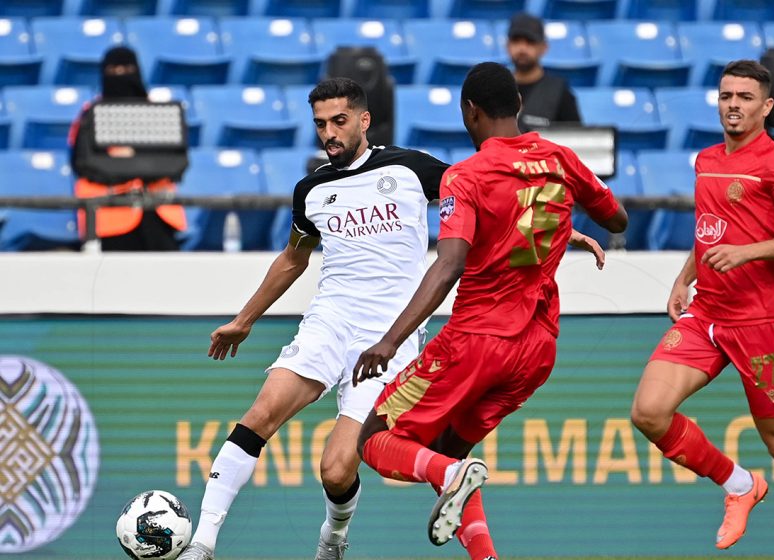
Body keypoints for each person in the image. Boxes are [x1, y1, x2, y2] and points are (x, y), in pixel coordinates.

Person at [352, 62, 627, 560]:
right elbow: (616, 216)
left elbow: (449, 264)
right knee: (448, 451)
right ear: (519, 106)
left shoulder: (467, 176)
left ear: (469, 111)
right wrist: (564, 231)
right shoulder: (561, 159)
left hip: (477, 340)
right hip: (538, 350)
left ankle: (452, 476)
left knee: (373, 440)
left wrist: (389, 341)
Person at [173, 77, 449, 560]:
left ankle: (332, 541)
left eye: (339, 121)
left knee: (337, 470)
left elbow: (483, 198)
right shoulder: (313, 189)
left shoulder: (412, 169)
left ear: (364, 120)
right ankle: (201, 544)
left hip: (390, 336)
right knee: (260, 414)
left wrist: (557, 233)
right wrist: (245, 319)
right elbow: (293, 258)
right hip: (330, 321)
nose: (329, 133)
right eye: (321, 124)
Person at [629, 59, 774, 560]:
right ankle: (738, 484)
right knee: (648, 411)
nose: (734, 105)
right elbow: (710, 231)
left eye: (745, 97)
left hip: (762, 322)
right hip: (708, 313)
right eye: (727, 95)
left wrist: (747, 252)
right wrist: (685, 278)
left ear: (766, 106)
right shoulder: (706, 159)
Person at [69, 46, 186, 251]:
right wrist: (142, 163)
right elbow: (82, 163)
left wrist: (126, 161)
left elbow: (174, 161)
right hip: (110, 217)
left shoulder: (159, 114)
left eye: (127, 69)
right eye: (113, 70)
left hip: (159, 214)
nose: (120, 76)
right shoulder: (89, 115)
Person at [506, 12, 581, 133]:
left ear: (544, 47)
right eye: (516, 41)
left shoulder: (559, 92)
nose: (522, 48)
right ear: (507, 45)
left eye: (530, 42)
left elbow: (576, 139)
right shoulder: (497, 89)